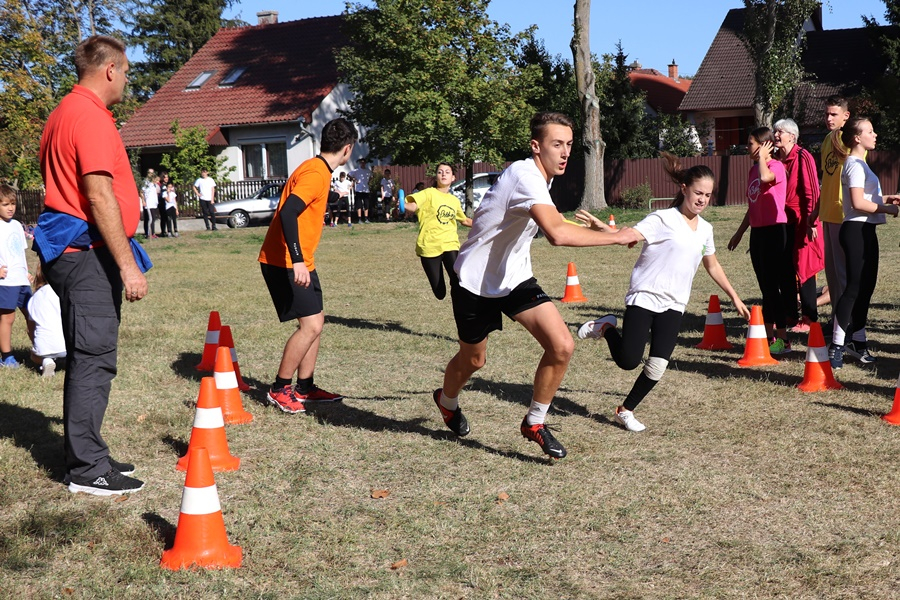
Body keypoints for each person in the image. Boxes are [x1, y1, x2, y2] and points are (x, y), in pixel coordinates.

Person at [435, 111, 631, 459]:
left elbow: (550, 218)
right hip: (475, 282)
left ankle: (535, 422)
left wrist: (604, 230)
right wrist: (617, 239)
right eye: (557, 144)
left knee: (562, 345)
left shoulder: (540, 177)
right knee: (474, 361)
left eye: (569, 144)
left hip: (515, 278)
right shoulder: (526, 175)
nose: (565, 152)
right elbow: (555, 234)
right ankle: (447, 402)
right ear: (536, 146)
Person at [36, 34, 149, 495]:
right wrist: (127, 265)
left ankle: (88, 452)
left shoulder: (62, 113)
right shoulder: (91, 117)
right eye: (125, 71)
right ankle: (87, 469)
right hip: (87, 257)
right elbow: (99, 195)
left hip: (74, 254)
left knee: (88, 355)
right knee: (94, 360)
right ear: (109, 69)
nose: (126, 79)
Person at [576, 155, 750, 432]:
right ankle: (606, 327)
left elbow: (712, 264)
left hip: (674, 303)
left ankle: (625, 410)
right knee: (628, 361)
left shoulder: (706, 229)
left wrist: (735, 297)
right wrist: (603, 229)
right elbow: (629, 236)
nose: (703, 199)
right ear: (684, 189)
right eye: (698, 193)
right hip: (645, 295)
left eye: (707, 195)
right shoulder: (663, 218)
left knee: (657, 367)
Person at [258, 118, 358, 414]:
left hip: (299, 260)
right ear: (347, 149)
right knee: (310, 325)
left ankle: (305, 387)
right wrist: (298, 260)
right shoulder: (316, 173)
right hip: (287, 262)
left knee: (317, 323)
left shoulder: (315, 168)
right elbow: (289, 213)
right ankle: (279, 389)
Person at [828, 118, 900, 369]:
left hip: (866, 230)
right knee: (854, 288)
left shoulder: (861, 164)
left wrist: (887, 198)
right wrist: (888, 209)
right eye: (870, 131)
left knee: (866, 287)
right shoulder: (855, 164)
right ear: (857, 138)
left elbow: (866, 197)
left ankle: (858, 341)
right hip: (856, 229)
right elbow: (858, 203)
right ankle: (837, 345)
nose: (875, 134)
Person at [727, 127, 795, 354]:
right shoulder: (752, 170)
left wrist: (766, 157)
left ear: (765, 145)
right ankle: (768, 338)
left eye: (751, 143)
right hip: (758, 234)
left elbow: (766, 178)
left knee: (774, 286)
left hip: (775, 231)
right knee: (765, 287)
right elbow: (752, 205)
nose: (748, 148)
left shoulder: (775, 167)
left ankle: (783, 339)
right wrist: (739, 233)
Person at [813, 96, 870, 356]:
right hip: (828, 214)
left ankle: (847, 329)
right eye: (827, 114)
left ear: (846, 117)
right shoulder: (827, 140)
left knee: (845, 277)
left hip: (843, 215)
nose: (829, 118)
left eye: (834, 114)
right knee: (834, 278)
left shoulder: (849, 139)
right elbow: (826, 178)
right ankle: (838, 322)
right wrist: (815, 212)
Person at [774, 118, 824, 332]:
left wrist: (812, 220)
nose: (776, 135)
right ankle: (790, 315)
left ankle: (809, 317)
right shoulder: (775, 158)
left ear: (792, 137)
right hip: (781, 220)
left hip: (803, 219)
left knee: (805, 267)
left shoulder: (803, 156)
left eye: (780, 132)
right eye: (775, 131)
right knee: (783, 267)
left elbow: (812, 190)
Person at [404, 162, 472, 299]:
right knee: (440, 293)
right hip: (429, 245)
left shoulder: (454, 200)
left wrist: (485, 223)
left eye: (447, 172)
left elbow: (464, 220)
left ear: (453, 177)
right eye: (440, 172)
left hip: (450, 244)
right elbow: (413, 206)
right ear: (436, 177)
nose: (443, 174)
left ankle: (463, 312)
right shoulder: (428, 193)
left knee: (459, 282)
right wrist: (401, 204)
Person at [0, 184, 32, 368]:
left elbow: (20, 251)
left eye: (13, 203)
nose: (10, 208)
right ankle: (7, 356)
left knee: (33, 315)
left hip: (21, 280)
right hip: (6, 282)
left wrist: (26, 271)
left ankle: (40, 349)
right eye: (5, 204)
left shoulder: (18, 226)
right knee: (8, 318)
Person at [27, 263, 66, 377]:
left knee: (34, 355)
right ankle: (67, 360)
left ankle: (46, 361)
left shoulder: (35, 297)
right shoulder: (64, 292)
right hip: (68, 344)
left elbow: (30, 327)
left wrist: (35, 343)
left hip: (44, 346)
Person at [348, 158, 372, 224]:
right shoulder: (357, 170)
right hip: (359, 189)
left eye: (364, 163)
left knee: (366, 204)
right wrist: (354, 180)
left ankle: (366, 218)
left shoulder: (368, 171)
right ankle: (359, 218)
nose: (363, 164)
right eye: (362, 163)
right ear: (360, 163)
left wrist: (368, 182)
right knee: (359, 205)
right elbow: (349, 174)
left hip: (366, 189)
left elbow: (371, 176)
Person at [141, 170, 160, 238]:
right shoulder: (145, 182)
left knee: (153, 218)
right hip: (148, 203)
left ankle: (153, 233)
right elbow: (141, 192)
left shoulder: (154, 183)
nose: (151, 174)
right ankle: (148, 233)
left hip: (153, 203)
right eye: (150, 173)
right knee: (149, 218)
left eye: (152, 173)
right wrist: (143, 201)